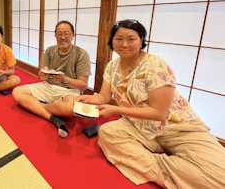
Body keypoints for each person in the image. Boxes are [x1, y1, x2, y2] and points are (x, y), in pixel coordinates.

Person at [76, 19, 225, 189]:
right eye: (119, 39)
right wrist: (87, 100)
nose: (124, 44)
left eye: (131, 39)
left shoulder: (154, 64)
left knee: (221, 178)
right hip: (139, 127)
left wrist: (114, 109)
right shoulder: (112, 66)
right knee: (108, 132)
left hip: (178, 128)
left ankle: (157, 166)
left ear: (141, 41)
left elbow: (158, 113)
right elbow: (103, 96)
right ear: (112, 41)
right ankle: (167, 172)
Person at [12, 20, 91, 138]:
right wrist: (44, 74)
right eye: (59, 34)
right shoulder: (50, 50)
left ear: (73, 36)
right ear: (55, 36)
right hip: (48, 86)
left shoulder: (81, 54)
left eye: (66, 34)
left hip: (69, 90)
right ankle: (53, 117)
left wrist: (64, 80)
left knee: (71, 108)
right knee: (17, 92)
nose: (63, 37)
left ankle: (39, 107)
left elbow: (83, 85)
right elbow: (41, 75)